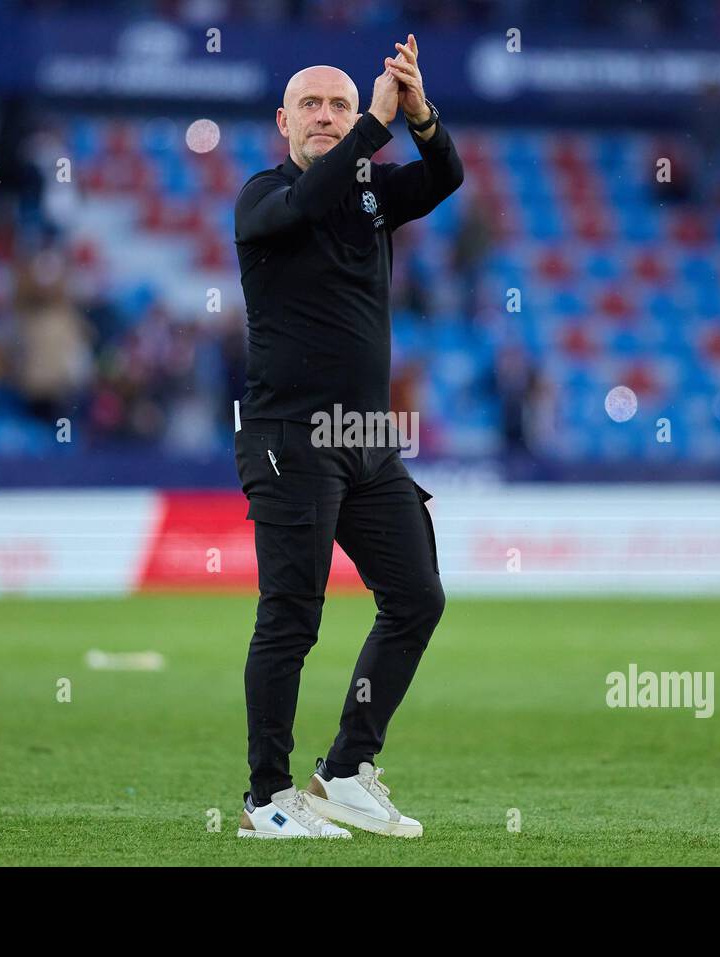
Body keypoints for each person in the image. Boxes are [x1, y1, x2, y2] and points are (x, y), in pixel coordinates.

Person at [232, 36, 463, 838]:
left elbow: (446, 178)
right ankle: (267, 798)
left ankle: (342, 771)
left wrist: (421, 113)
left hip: (366, 436)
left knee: (417, 597)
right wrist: (373, 119)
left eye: (338, 103)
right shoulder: (263, 196)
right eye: (313, 105)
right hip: (289, 437)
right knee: (290, 618)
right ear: (283, 122)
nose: (327, 117)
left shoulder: (371, 193)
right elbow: (307, 201)